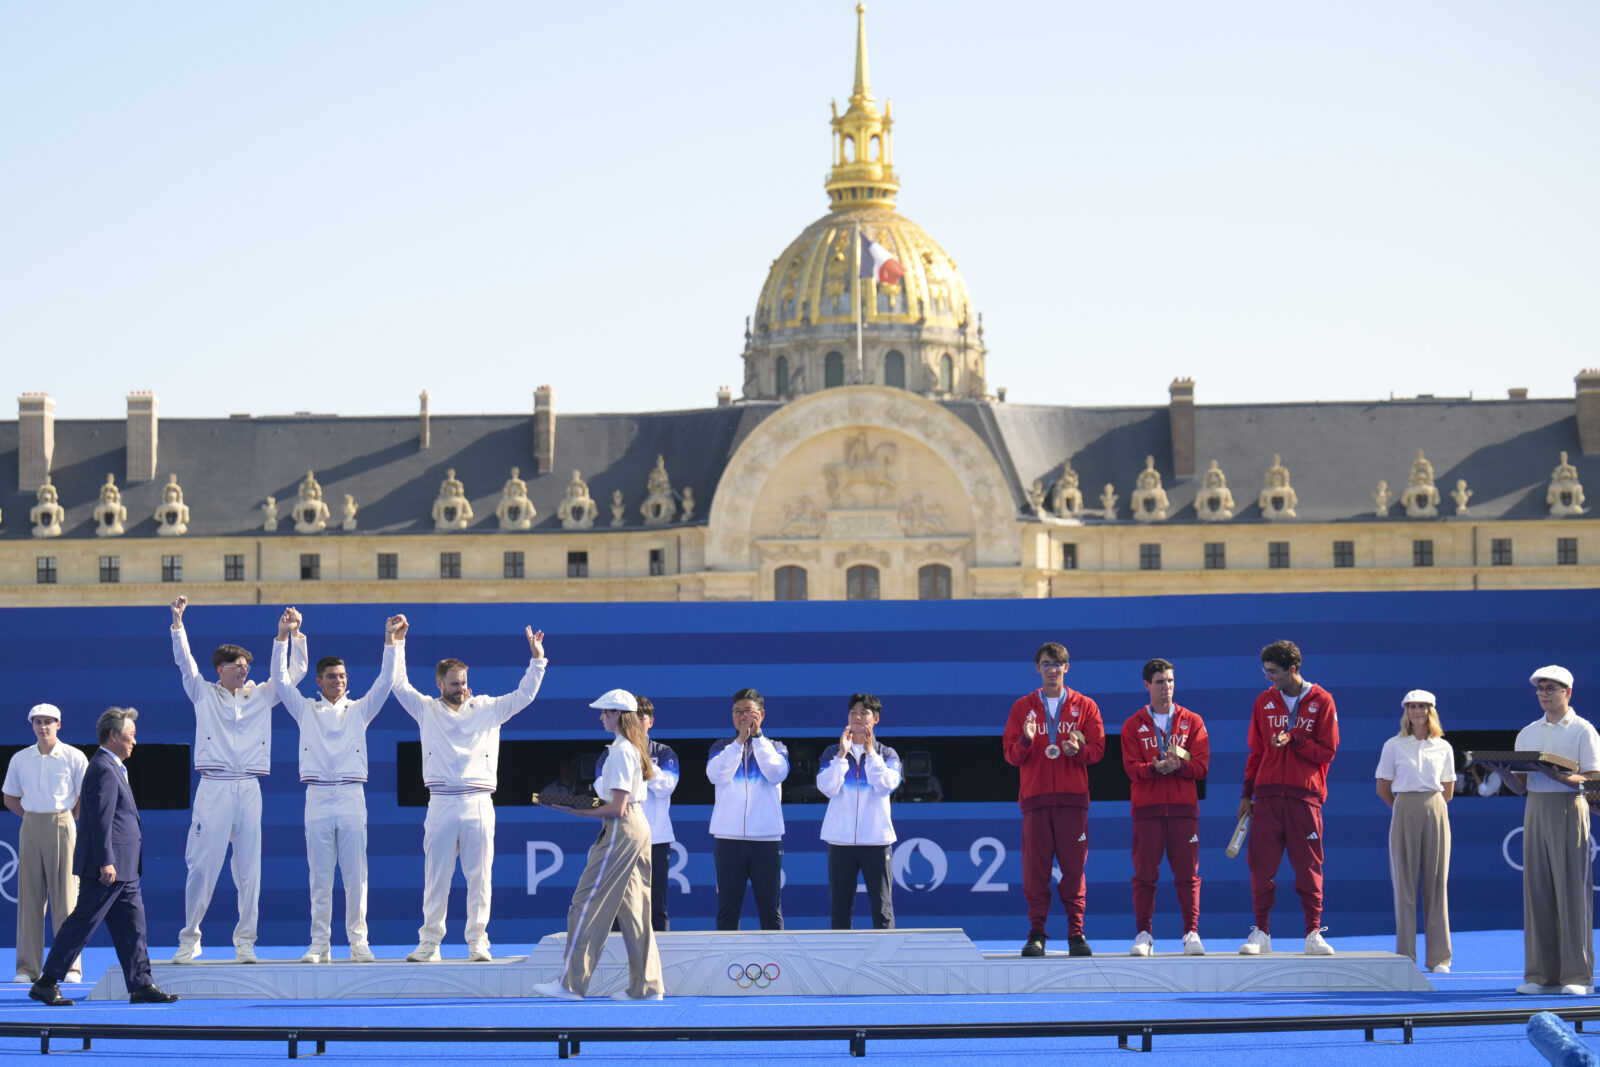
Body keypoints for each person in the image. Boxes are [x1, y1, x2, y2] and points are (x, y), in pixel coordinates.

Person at [392, 623, 547, 963]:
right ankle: (430, 943)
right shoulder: (426, 710)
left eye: (463, 682)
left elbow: (525, 696)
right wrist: (397, 644)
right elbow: (398, 684)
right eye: (454, 684)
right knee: (436, 877)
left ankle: (478, 941)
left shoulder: (488, 708)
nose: (461, 688)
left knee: (480, 877)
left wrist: (538, 660)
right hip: (442, 803)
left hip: (478, 802)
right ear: (439, 684)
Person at [170, 596, 308, 963]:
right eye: (237, 665)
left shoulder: (261, 695)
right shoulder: (202, 692)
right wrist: (178, 624)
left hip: (249, 786)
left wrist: (292, 635)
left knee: (249, 870)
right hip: (213, 787)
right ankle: (190, 939)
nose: (244, 670)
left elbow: (294, 674)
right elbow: (185, 664)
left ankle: (245, 941)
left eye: (247, 664)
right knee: (202, 867)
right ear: (220, 669)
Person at [272, 608, 405, 964]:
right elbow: (281, 682)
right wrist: (283, 637)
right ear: (319, 681)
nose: (338, 681)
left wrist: (390, 641)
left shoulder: (360, 710)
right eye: (331, 677)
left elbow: (386, 681)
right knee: (319, 875)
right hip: (316, 796)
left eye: (343, 676)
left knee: (355, 875)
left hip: (350, 795)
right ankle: (319, 944)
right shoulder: (305, 710)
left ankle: (359, 942)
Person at [28, 707, 177, 1006]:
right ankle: (47, 982)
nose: (135, 741)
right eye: (130, 735)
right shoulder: (102, 769)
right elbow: (98, 819)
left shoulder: (113, 767)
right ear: (113, 735)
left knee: (134, 926)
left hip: (126, 869)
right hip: (107, 868)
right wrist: (105, 860)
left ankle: (141, 984)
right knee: (83, 923)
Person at [533, 689, 665, 1001]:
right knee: (635, 910)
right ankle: (646, 987)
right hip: (638, 828)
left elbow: (617, 808)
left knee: (586, 904)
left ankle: (570, 984)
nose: (601, 716)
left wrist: (573, 809)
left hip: (622, 829)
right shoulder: (633, 747)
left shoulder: (621, 750)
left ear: (619, 715)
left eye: (605, 712)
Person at [1485, 666, 1599, 996]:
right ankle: (1539, 974)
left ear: (1568, 693)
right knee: (1536, 891)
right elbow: (1520, 788)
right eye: (1540, 689)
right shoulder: (1527, 733)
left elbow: (1592, 779)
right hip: (1534, 807)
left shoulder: (1583, 731)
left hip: (1568, 807)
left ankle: (1578, 976)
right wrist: (1504, 774)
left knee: (1571, 894)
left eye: (1552, 688)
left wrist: (1559, 776)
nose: (1544, 693)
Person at [1003, 641, 1106, 958]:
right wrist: (1026, 738)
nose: (1052, 670)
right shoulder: (1023, 708)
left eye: (1057, 664)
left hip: (1073, 800)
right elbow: (1011, 755)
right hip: (1035, 799)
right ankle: (1037, 933)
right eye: (1046, 664)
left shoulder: (1084, 706)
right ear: (1037, 669)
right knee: (1035, 871)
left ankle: (1076, 933)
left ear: (1067, 668)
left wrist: (1080, 752)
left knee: (1074, 870)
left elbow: (1099, 750)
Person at [1238, 639, 1340, 957]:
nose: (1268, 677)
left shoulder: (1322, 700)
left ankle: (1313, 933)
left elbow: (1328, 751)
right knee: (1261, 867)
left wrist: (1296, 740)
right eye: (1265, 671)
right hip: (1267, 796)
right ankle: (1261, 932)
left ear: (1292, 670)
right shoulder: (1263, 702)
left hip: (1304, 797)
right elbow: (1256, 752)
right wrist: (1246, 794)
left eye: (1273, 672)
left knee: (1309, 867)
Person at [1120, 659, 1210, 956]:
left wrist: (1179, 766)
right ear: (1147, 685)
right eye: (1160, 682)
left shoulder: (1192, 720)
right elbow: (1131, 768)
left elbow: (1201, 766)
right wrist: (1154, 769)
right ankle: (1144, 934)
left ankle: (1191, 933)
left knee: (1188, 874)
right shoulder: (1133, 724)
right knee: (1145, 875)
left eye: (1170, 681)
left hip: (1184, 809)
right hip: (1148, 810)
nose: (1167, 687)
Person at [4, 703, 88, 984]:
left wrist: (65, 819)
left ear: (59, 725)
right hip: (31, 825)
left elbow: (83, 799)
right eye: (38, 722)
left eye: (48, 722)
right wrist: (32, 818)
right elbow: (10, 797)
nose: (43, 727)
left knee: (67, 900)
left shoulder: (74, 757)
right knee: (29, 900)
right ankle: (27, 969)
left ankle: (70, 967)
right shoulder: (20, 759)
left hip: (63, 825)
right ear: (32, 725)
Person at [1374, 689, 1454, 973]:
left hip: (1435, 808)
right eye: (1412, 707)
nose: (1417, 711)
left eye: (1422, 706)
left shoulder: (1444, 747)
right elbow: (1382, 787)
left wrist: (1429, 809)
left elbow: (1448, 790)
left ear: (1431, 710)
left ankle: (1439, 958)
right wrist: (1403, 809)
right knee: (1404, 886)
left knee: (1436, 885)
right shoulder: (1393, 745)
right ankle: (1405, 957)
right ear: (1406, 712)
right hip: (1403, 807)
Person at [817, 693, 903, 929]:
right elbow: (827, 788)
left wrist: (870, 753)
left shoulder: (887, 754)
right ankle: (839, 962)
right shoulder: (832, 753)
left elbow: (886, 785)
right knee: (840, 908)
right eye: (853, 712)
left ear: (875, 719)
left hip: (876, 840)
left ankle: (886, 961)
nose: (857, 717)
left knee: (882, 907)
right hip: (840, 842)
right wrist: (842, 755)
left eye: (864, 713)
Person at [594, 696, 679, 931]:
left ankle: (656, 964)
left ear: (649, 722)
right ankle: (615, 963)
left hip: (656, 840)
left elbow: (667, 786)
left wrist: (635, 769)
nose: (637, 722)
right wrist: (640, 775)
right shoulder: (611, 752)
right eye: (633, 715)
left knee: (655, 906)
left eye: (642, 717)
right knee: (616, 904)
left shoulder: (664, 752)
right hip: (621, 836)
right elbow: (602, 788)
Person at [707, 688, 789, 930]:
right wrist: (739, 743)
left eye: (748, 712)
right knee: (727, 910)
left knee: (770, 909)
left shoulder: (776, 747)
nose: (742, 717)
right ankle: (725, 966)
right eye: (737, 712)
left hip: (766, 839)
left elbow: (777, 773)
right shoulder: (721, 746)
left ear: (761, 715)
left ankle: (777, 965)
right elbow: (716, 775)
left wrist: (758, 739)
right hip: (728, 839)